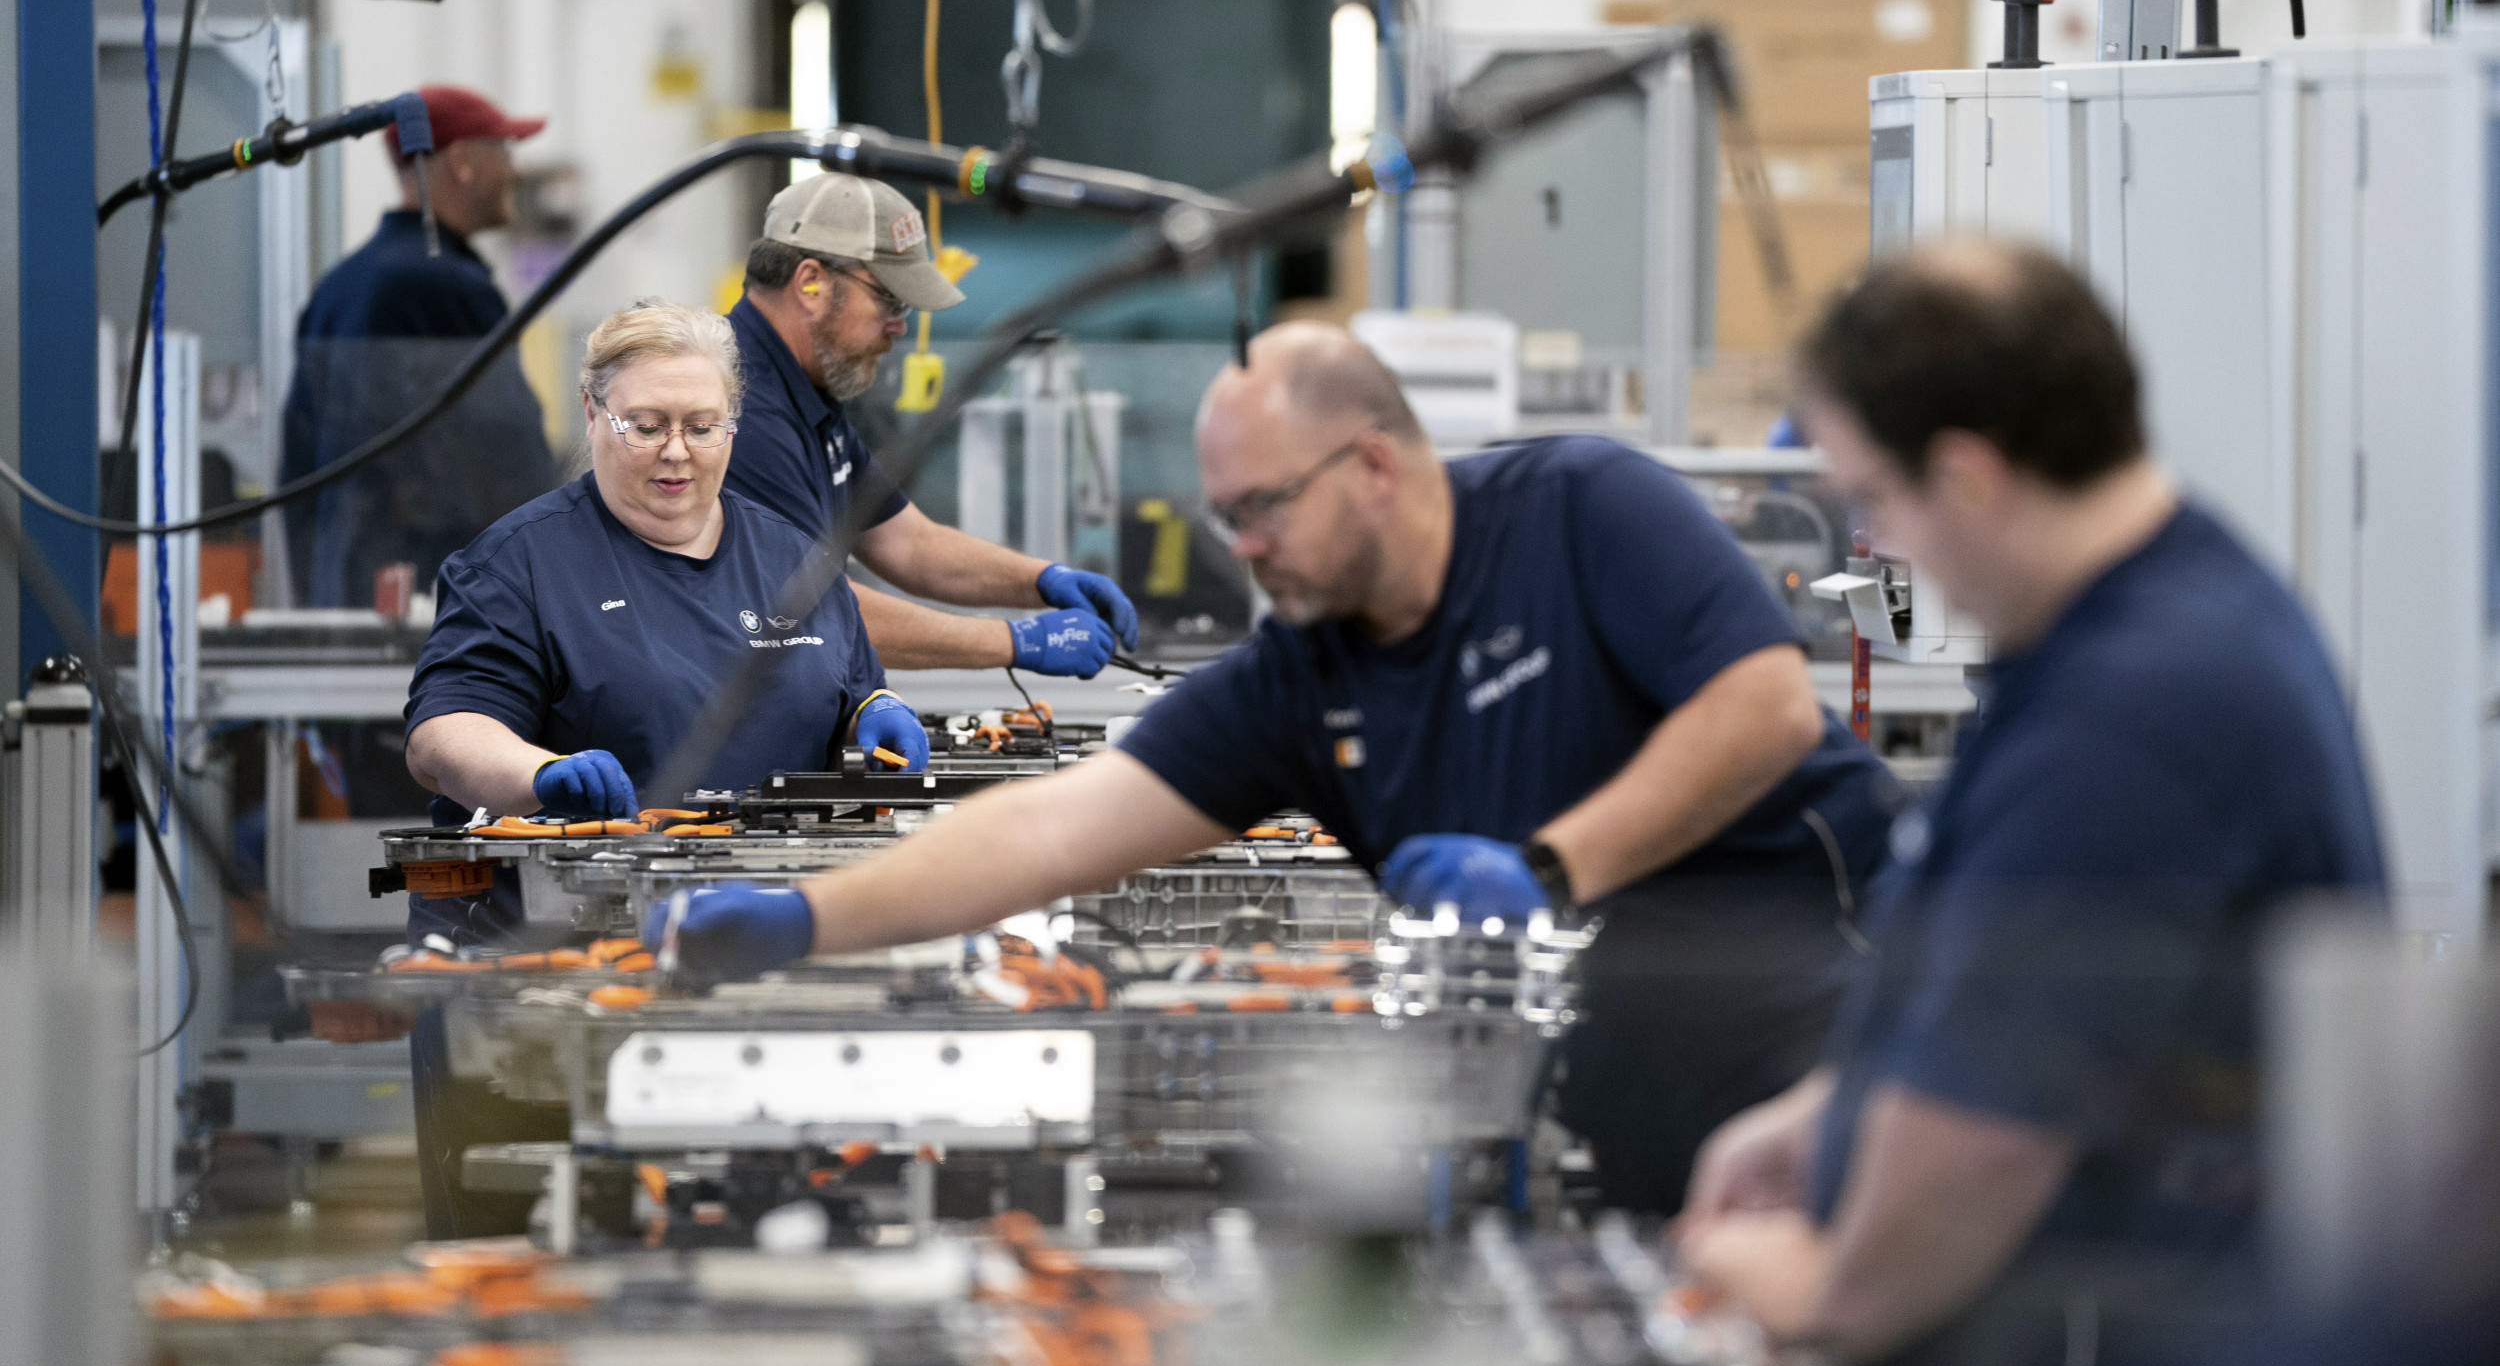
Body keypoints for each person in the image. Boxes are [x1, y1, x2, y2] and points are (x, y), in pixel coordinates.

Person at [658, 321, 1902, 1214]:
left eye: (1266, 508)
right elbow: (1051, 830)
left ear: (1371, 464)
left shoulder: (1580, 507)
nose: (1247, 550)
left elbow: (1763, 710)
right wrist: (807, 916)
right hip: (1622, 1077)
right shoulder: (1299, 678)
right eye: (1227, 519)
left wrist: (1551, 865)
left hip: (1837, 1023)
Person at [1674, 243, 2386, 1366]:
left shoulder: (2139, 708)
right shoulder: (2130, 629)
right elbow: (2009, 982)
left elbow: (1990, 1133)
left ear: (1965, 477)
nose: (1878, 549)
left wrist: (1820, 1283)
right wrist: (1829, 1110)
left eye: (1871, 502)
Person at [397, 300, 923, 1235]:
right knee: (536, 1278)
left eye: (701, 426)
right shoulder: (522, 562)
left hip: (750, 975)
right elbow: (444, 734)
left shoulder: (793, 559)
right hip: (547, 991)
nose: (675, 453)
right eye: (645, 426)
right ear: (595, 414)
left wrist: (876, 715)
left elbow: (850, 693)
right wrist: (538, 774)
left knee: (743, 1253)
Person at [724, 173, 1139, 681]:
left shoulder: (805, 389)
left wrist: (1045, 581)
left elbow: (907, 544)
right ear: (811, 283)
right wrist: (1014, 640)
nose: (899, 326)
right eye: (891, 301)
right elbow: (805, 614)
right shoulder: (739, 411)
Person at [281, 83, 556, 613]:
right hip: (434, 601)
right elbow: (508, 465)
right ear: (461, 161)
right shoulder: (445, 285)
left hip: (342, 587)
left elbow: (299, 454)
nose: (514, 171)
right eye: (502, 149)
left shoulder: (340, 285)